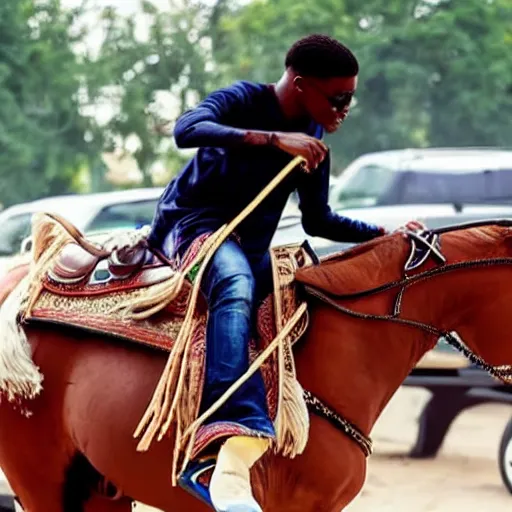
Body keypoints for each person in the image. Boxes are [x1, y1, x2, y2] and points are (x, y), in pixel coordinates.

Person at [148, 34, 423, 512]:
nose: (344, 108)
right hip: (190, 228)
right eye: (338, 97)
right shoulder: (244, 99)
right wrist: (274, 139)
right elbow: (186, 129)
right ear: (299, 85)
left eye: (350, 99)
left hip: (249, 246)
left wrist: (387, 232)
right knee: (234, 284)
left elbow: (321, 221)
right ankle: (220, 442)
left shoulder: (314, 141)